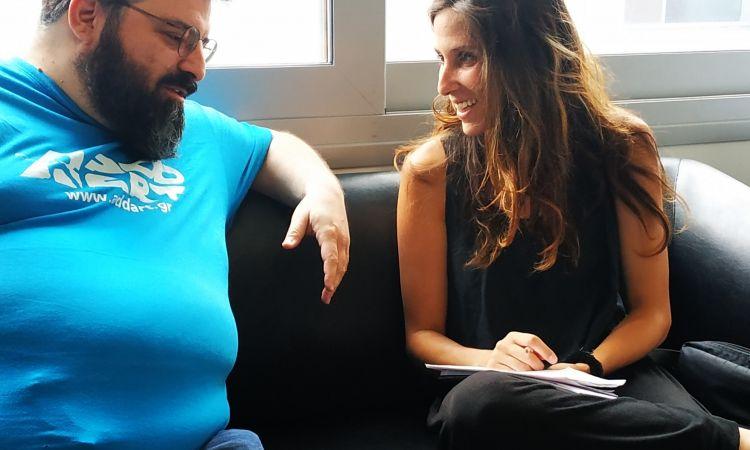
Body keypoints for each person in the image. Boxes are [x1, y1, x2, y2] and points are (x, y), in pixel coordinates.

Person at [395, 0, 750, 449]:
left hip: (609, 374)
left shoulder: (623, 148)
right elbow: (421, 336)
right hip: (498, 390)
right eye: (441, 59)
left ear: (528, 54)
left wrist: (585, 367)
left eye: (466, 58)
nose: (444, 83)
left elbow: (652, 313)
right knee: (478, 406)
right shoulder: (431, 171)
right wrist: (491, 361)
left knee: (672, 419)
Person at [0, 0, 349, 449]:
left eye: (202, 43)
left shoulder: (185, 129)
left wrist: (322, 189)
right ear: (86, 15)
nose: (198, 68)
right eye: (176, 36)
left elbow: (274, 147)